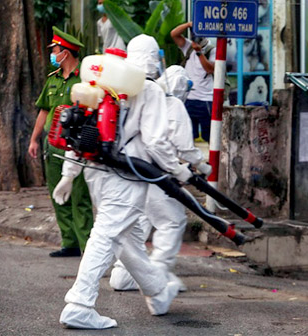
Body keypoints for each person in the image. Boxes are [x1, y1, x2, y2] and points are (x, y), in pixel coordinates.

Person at [54, 35, 193, 329]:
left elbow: (78, 125)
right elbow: (155, 142)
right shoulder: (149, 88)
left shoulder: (105, 81)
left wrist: (69, 174)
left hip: (96, 171)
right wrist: (177, 171)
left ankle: (157, 292)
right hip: (127, 176)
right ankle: (79, 304)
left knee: (126, 238)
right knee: (106, 234)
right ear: (155, 57)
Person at [110, 65, 212, 292]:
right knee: (172, 222)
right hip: (160, 176)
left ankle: (122, 274)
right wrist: (201, 164)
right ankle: (157, 275)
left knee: (139, 224)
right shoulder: (174, 105)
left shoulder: (141, 98)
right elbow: (184, 148)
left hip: (135, 174)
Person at [28, 27, 94, 258]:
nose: (53, 55)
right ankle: (70, 243)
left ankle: (88, 246)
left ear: (65, 53)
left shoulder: (85, 80)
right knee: (57, 193)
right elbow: (44, 111)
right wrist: (35, 139)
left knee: (79, 196)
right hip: (52, 144)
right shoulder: (53, 80)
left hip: (75, 148)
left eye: (55, 50)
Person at [171, 22, 216, 142]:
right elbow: (174, 34)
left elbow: (210, 69)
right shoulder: (188, 46)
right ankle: (191, 159)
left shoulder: (212, 50)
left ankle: (211, 160)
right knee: (188, 136)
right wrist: (189, 24)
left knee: (210, 136)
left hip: (205, 99)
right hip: (189, 98)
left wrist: (199, 52)